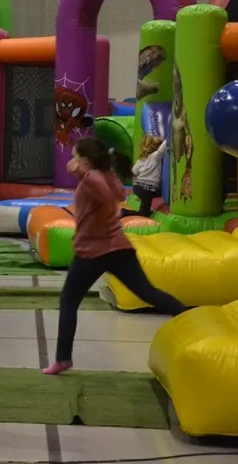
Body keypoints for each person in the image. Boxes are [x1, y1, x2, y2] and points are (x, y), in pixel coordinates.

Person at [44, 138, 186, 375]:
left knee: (68, 301)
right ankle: (187, 316)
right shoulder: (104, 174)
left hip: (92, 251)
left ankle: (63, 358)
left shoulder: (93, 177)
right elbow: (117, 194)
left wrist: (84, 173)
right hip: (117, 248)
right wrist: (88, 173)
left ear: (86, 160)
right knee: (147, 292)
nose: (72, 161)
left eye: (76, 157)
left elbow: (106, 195)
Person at [120, 135, 167, 218]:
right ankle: (125, 212)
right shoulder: (155, 157)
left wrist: (140, 179)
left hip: (138, 187)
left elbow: (133, 173)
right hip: (146, 189)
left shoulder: (140, 160)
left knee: (149, 204)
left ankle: (144, 211)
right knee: (144, 212)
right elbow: (162, 149)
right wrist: (168, 138)